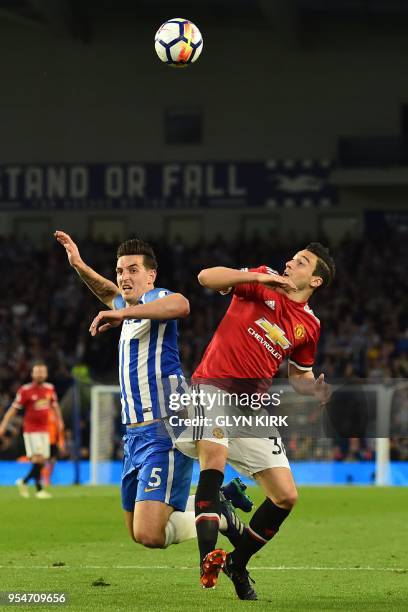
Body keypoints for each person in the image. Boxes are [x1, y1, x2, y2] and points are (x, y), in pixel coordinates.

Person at [55, 231, 245, 550]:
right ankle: (215, 500)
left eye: (133, 270)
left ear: (151, 275)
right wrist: (78, 264)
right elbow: (107, 292)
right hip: (134, 435)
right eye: (120, 271)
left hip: (163, 429)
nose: (124, 277)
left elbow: (182, 304)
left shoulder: (155, 299)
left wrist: (122, 312)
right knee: (135, 530)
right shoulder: (127, 308)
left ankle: (220, 513)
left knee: (150, 534)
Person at [175, 243, 335, 599]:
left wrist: (314, 390)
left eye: (302, 262)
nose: (291, 262)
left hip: (252, 405)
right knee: (213, 459)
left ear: (316, 280)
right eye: (293, 257)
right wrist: (258, 276)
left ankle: (237, 562)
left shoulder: (309, 324)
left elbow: (299, 375)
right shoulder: (260, 280)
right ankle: (207, 559)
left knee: (285, 496)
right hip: (212, 387)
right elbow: (205, 277)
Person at [0, 362, 64, 499]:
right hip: (31, 430)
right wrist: (3, 425)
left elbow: (55, 406)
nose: (40, 374)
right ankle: (29, 484)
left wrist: (60, 422)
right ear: (32, 374)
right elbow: (13, 409)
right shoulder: (25, 390)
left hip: (45, 429)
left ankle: (31, 486)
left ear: (46, 374)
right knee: (39, 458)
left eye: (42, 372)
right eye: (37, 372)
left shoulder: (50, 389)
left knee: (41, 460)